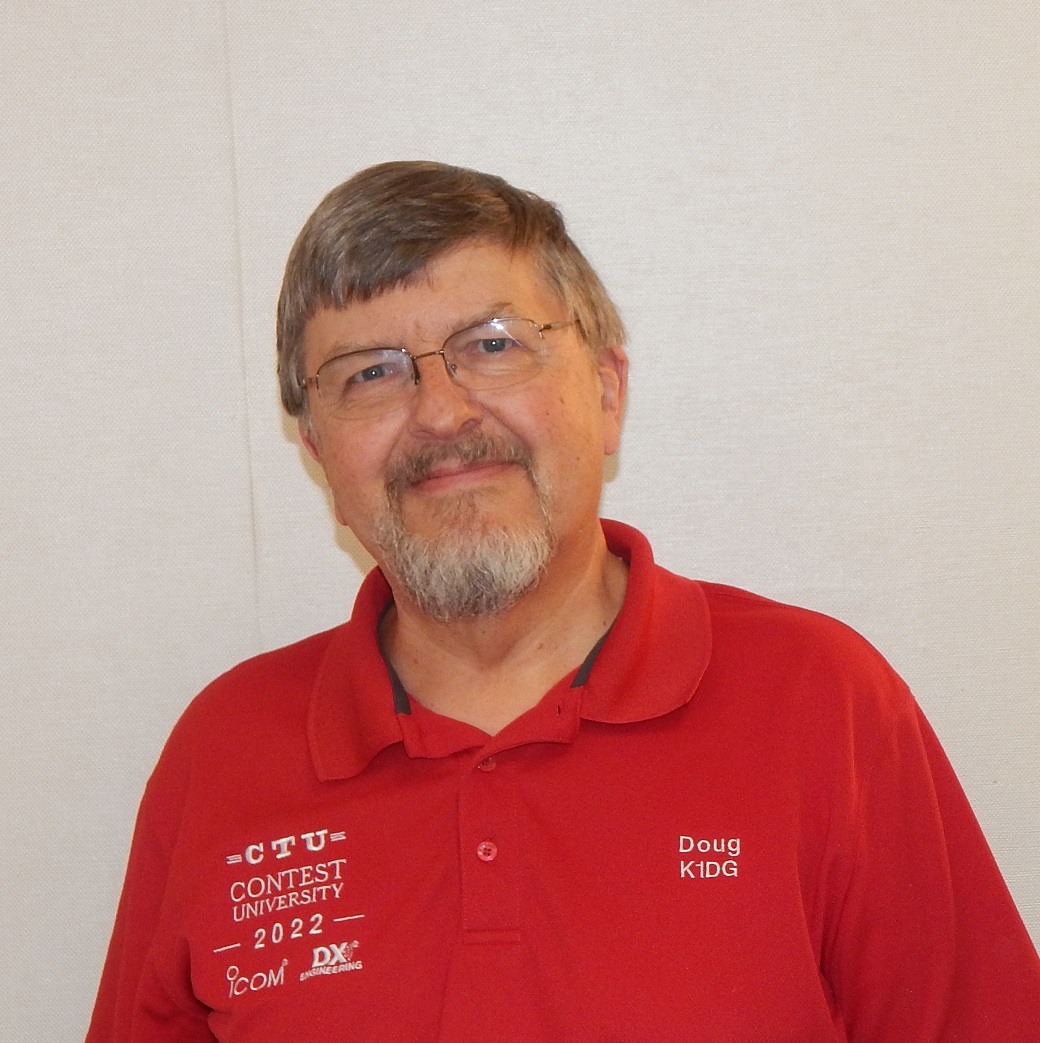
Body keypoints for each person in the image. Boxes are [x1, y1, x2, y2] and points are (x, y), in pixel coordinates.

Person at [87, 161, 1040, 1042]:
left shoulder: (820, 702)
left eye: (493, 345)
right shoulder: (223, 752)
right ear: (319, 453)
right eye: (369, 372)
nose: (441, 411)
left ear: (607, 391)